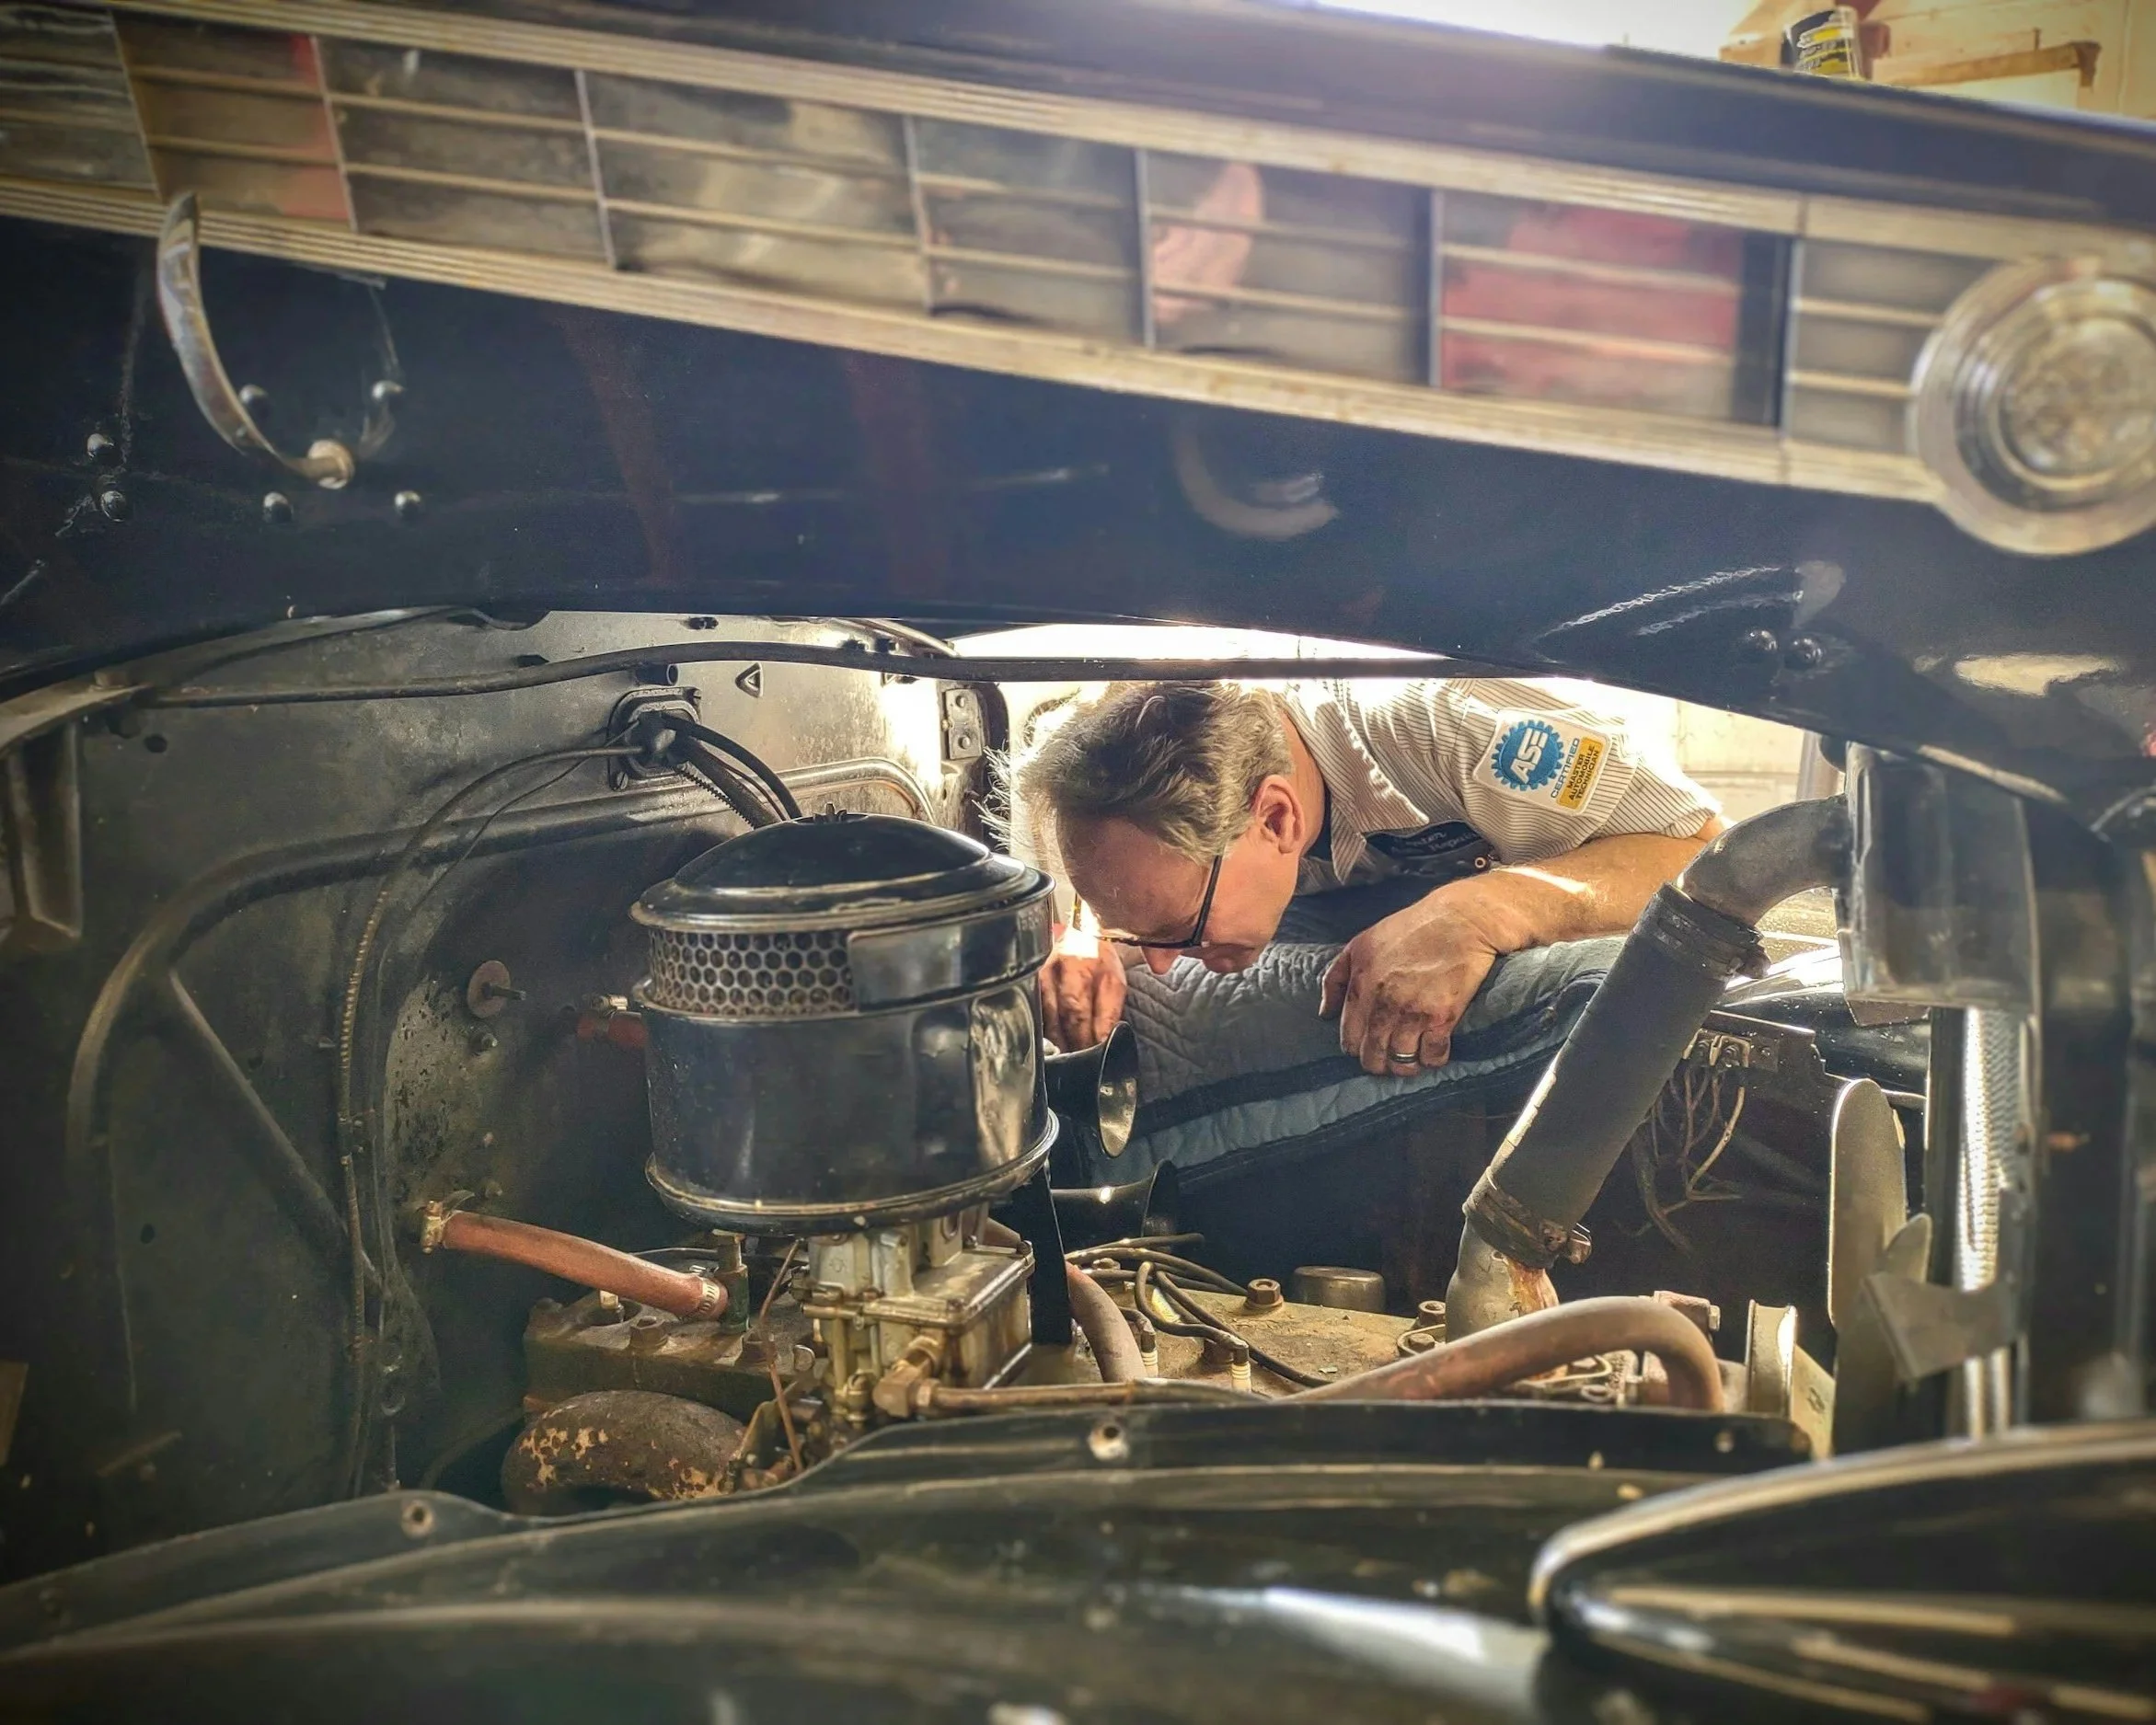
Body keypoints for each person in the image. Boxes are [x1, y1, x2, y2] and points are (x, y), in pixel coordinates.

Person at [1005, 677, 1724, 1076]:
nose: (1161, 962)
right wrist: (1091, 932)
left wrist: (1481, 911)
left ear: (1275, 818)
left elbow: (1705, 855)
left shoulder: (1448, 726)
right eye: (1145, 937)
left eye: (1180, 930)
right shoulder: (1113, 784)